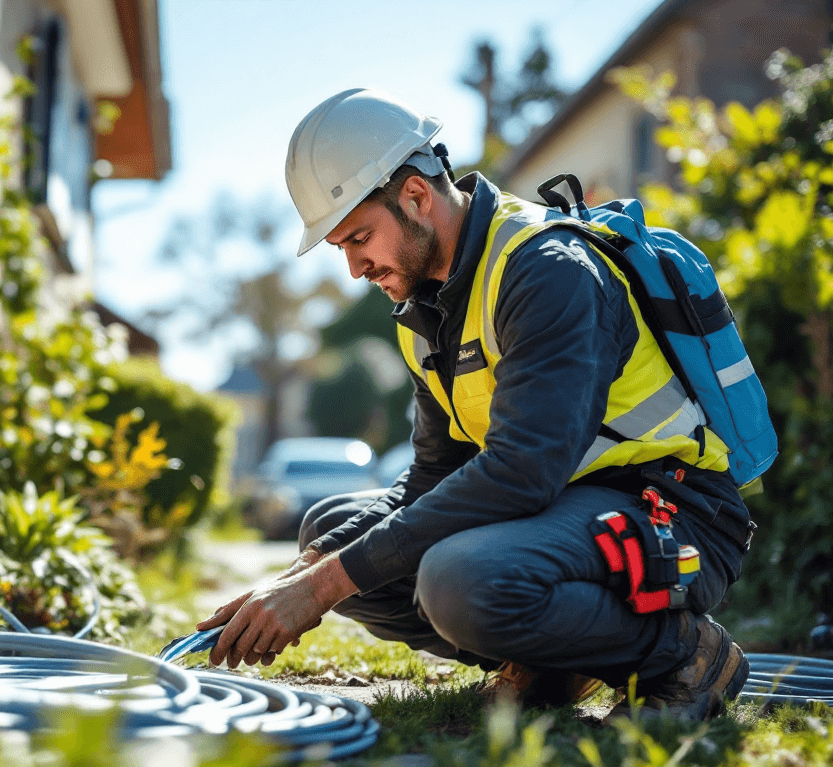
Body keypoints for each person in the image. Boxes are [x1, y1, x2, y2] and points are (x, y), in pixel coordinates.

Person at [196, 88, 756, 721]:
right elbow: (434, 475)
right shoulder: (422, 314)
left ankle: (686, 655)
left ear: (414, 195)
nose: (354, 268)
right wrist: (307, 573)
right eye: (340, 249)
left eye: (358, 238)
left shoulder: (546, 270)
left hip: (669, 511)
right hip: (562, 517)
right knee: (328, 532)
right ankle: (553, 663)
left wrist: (325, 586)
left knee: (458, 581)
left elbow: (524, 472)